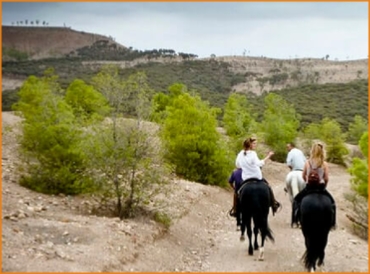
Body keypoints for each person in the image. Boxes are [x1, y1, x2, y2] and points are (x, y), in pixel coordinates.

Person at [292, 143, 336, 228]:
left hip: (309, 187)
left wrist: (307, 182)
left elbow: (303, 175)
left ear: (312, 151)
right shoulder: (324, 164)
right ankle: (332, 224)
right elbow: (326, 178)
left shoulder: (307, 162)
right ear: (322, 151)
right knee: (332, 203)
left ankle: (296, 219)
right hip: (320, 187)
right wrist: (324, 186)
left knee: (296, 200)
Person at [235, 137, 281, 216]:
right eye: (254, 143)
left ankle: (236, 209)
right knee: (268, 187)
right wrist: (269, 156)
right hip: (257, 177)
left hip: (246, 179)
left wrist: (245, 166)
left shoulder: (240, 154)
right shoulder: (253, 154)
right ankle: (274, 204)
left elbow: (237, 165)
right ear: (250, 145)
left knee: (238, 192)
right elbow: (259, 163)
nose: (255, 145)